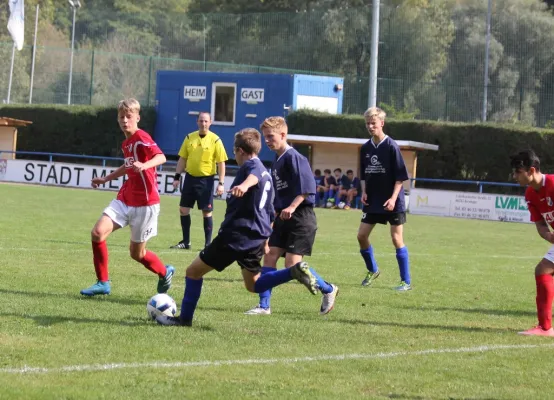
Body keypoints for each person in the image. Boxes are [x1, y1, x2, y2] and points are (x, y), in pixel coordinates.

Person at [157, 128, 320, 327]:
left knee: (193, 272)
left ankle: (184, 320)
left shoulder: (253, 167)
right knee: (253, 285)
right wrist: (266, 237)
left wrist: (244, 186)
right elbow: (270, 210)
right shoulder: (267, 173)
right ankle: (292, 272)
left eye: (234, 152)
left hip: (235, 236)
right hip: (256, 238)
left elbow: (254, 176)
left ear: (241, 150)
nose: (234, 155)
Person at [245, 117, 339, 316]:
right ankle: (264, 305)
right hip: (283, 218)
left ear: (283, 134)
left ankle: (329, 289)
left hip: (301, 217)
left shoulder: (294, 157)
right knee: (269, 256)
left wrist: (292, 206)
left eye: (271, 137)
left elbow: (308, 188)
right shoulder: (277, 161)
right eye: (265, 138)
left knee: (292, 265)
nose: (268, 141)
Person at [80, 98, 174, 296]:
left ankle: (165, 272)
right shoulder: (127, 142)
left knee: (136, 254)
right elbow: (128, 165)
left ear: (137, 118)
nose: (125, 120)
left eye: (129, 117)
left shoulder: (141, 136)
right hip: (125, 199)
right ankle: (103, 283)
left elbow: (161, 157)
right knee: (97, 233)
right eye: (121, 117)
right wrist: (106, 178)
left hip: (145, 204)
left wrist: (145, 165)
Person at [357, 107, 412, 291]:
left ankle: (406, 282)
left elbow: (400, 177)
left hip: (392, 201)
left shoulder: (391, 146)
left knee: (397, 239)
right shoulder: (365, 148)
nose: (370, 126)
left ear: (382, 123)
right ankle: (372, 270)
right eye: (367, 124)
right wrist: (364, 192)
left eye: (373, 123)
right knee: (361, 236)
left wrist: (393, 198)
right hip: (372, 200)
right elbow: (364, 174)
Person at [511, 150, 554, 336]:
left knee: (543, 269)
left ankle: (545, 328)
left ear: (532, 170)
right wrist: (550, 237)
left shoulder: (553, 183)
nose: (514, 176)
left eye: (518, 172)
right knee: (543, 270)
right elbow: (540, 225)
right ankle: (545, 327)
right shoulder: (530, 194)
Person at [170, 112, 228, 250]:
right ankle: (186, 242)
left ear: (210, 122)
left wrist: (221, 183)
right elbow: (182, 159)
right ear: (197, 122)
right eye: (201, 121)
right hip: (190, 178)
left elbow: (221, 163)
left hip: (206, 181)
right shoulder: (189, 137)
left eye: (206, 121)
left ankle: (207, 244)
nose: (203, 124)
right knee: (183, 209)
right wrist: (177, 177)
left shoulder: (215, 140)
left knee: (206, 212)